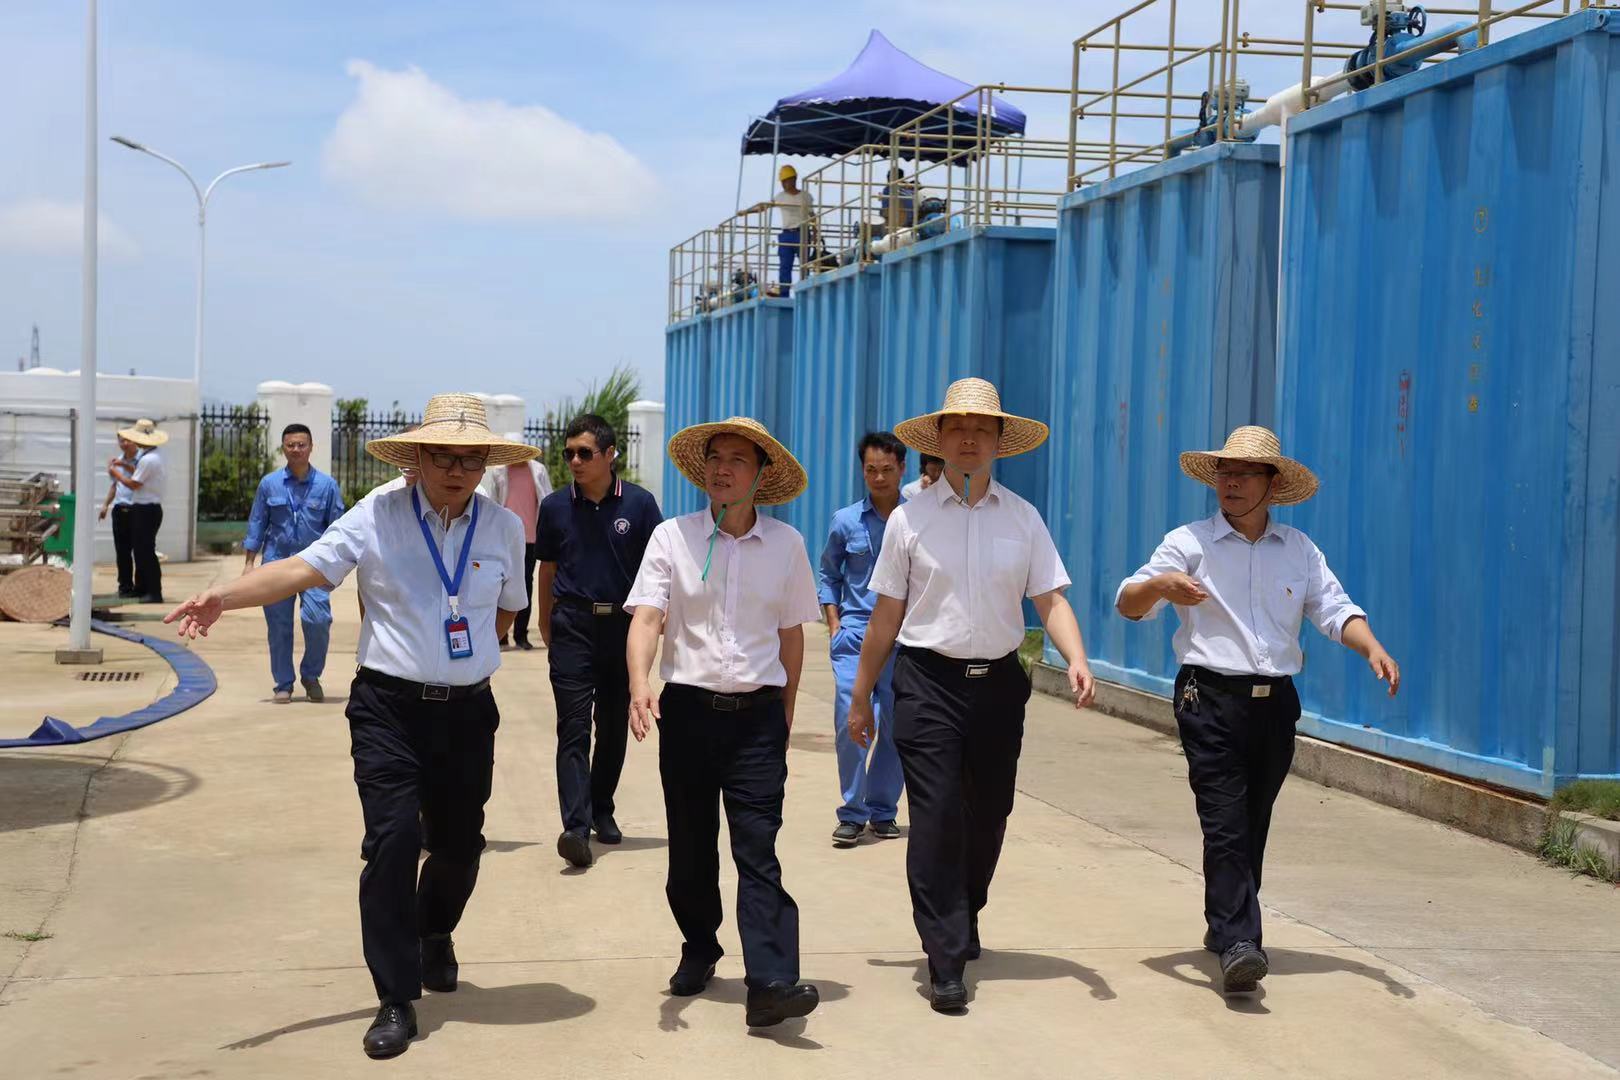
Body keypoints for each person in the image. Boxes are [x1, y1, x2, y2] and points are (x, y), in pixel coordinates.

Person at [165, 393, 534, 1060]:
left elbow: (507, 613)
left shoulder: (504, 528)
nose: (456, 469)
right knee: (392, 842)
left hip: (467, 712)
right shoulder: (378, 516)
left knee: (459, 845)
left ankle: (434, 930)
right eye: (443, 456)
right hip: (388, 709)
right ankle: (395, 996)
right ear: (417, 458)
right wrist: (225, 595)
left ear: (485, 463)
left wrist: (465, 657)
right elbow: (302, 568)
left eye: (469, 458)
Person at [1115, 425, 1400, 996]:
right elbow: (1128, 602)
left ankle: (1225, 922)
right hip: (1208, 699)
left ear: (1272, 485)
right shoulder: (1189, 543)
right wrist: (1162, 586)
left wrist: (1371, 646)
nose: (1232, 483)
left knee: (1251, 822)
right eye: (1225, 472)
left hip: (1274, 706)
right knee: (1223, 820)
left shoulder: (1298, 549)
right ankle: (1241, 941)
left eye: (1246, 474)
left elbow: (1333, 608)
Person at [846, 377, 1097, 1014]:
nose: (967, 438)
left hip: (999, 687)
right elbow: (886, 616)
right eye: (956, 427)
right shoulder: (910, 520)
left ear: (998, 442)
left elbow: (1050, 599)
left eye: (981, 429)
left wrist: (1077, 657)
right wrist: (861, 694)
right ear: (938, 439)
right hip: (926, 683)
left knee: (989, 814)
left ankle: (964, 908)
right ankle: (945, 955)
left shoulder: (1023, 518)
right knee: (935, 818)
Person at [624, 416, 822, 1029]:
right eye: (715, 457)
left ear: (761, 475)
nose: (722, 468)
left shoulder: (787, 545)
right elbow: (648, 617)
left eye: (737, 459)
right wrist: (639, 683)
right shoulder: (671, 538)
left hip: (757, 720)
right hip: (687, 713)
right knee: (690, 847)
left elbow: (791, 635)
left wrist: (786, 708)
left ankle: (770, 982)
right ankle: (700, 945)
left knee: (757, 848)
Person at [536, 413, 661, 868]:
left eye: (584, 453)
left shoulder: (641, 506)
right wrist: (546, 625)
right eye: (569, 453)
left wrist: (655, 625)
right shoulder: (554, 507)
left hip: (622, 629)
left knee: (611, 726)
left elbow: (657, 571)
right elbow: (547, 569)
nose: (574, 461)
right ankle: (574, 826)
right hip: (572, 626)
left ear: (610, 455)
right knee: (572, 727)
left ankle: (600, 808)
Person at [818, 431, 908, 846]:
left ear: (902, 469)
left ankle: (883, 809)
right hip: (854, 635)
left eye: (887, 469)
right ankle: (852, 813)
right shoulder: (845, 521)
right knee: (849, 720)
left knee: (895, 726)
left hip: (904, 641)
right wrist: (834, 623)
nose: (879, 477)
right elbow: (829, 574)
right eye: (871, 470)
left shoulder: (917, 521)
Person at [243, 424, 347, 703]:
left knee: (318, 620)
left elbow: (338, 528)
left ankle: (311, 676)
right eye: (291, 445)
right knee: (279, 627)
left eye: (302, 444)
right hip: (276, 564)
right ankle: (283, 683)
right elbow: (257, 522)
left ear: (311, 447)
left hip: (314, 567)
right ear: (283, 448)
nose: (296, 450)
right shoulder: (269, 484)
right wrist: (249, 564)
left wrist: (338, 567)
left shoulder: (327, 486)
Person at [478, 432, 553, 650]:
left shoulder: (538, 470)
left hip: (531, 538)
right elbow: (493, 502)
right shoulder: (499, 471)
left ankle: (521, 635)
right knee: (498, 584)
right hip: (503, 537)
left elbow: (547, 499)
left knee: (525, 585)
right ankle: (500, 636)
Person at [107, 418, 167, 603]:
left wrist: (116, 473)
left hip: (146, 508)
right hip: (146, 508)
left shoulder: (148, 459)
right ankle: (142, 588)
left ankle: (153, 591)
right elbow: (138, 473)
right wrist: (124, 466)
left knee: (145, 551)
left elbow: (134, 483)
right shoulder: (151, 456)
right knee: (141, 551)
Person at [746, 165, 813, 295]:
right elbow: (763, 207)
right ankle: (784, 294)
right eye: (782, 181)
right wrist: (747, 211)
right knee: (784, 267)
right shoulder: (780, 197)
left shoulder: (805, 196)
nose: (783, 184)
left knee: (804, 266)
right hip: (786, 234)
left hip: (803, 233)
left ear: (793, 179)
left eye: (785, 180)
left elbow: (812, 216)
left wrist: (815, 233)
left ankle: (806, 292)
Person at [99, 434, 140, 597]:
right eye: (121, 440)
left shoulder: (142, 459)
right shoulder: (117, 461)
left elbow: (139, 476)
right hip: (120, 508)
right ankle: (125, 586)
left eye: (127, 440)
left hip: (137, 509)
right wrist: (105, 505)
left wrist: (122, 465)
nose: (124, 443)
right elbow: (114, 486)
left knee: (140, 550)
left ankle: (141, 586)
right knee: (122, 551)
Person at [880, 166, 917, 231]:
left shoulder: (888, 189)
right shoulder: (909, 190)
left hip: (898, 223)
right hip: (912, 221)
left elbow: (885, 209)